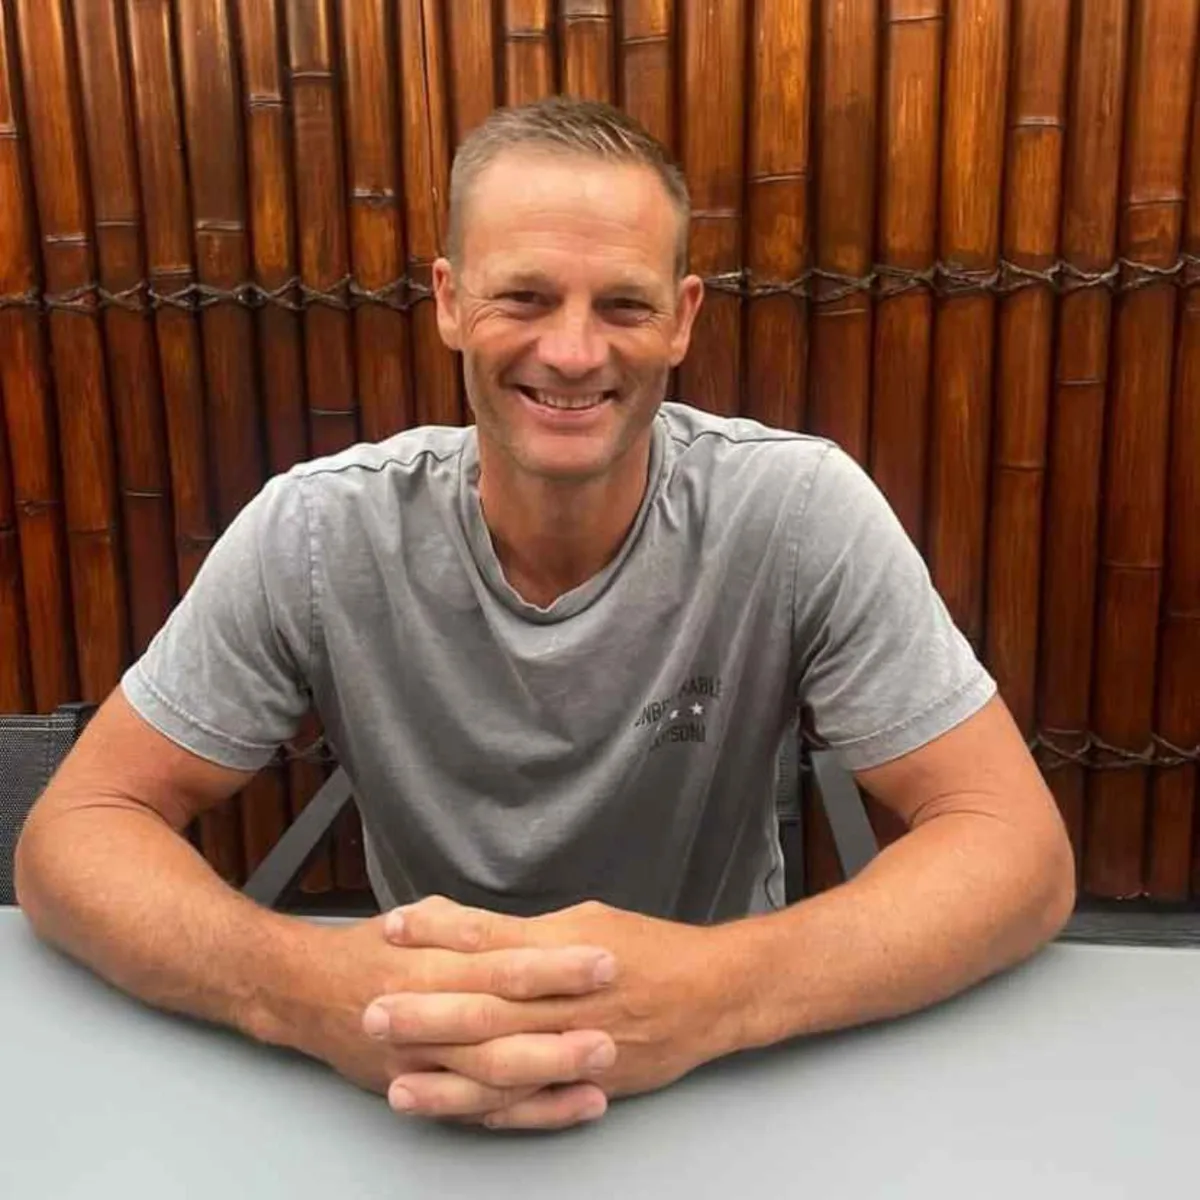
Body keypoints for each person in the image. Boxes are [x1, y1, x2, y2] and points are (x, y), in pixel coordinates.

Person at [15, 96, 1075, 1133]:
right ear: (448, 299)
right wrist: (304, 990)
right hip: (410, 1082)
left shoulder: (796, 514)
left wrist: (713, 994)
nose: (572, 352)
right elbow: (75, 833)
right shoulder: (320, 531)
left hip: (722, 1090)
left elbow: (1017, 853)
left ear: (682, 319)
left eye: (623, 305)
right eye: (523, 297)